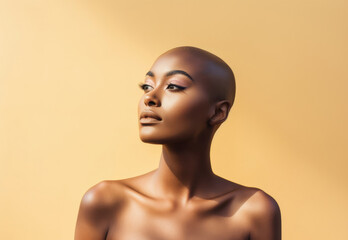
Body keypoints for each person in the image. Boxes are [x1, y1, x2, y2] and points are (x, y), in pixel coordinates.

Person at [74, 46, 281, 240]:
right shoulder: (105, 202)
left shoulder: (253, 211)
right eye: (147, 86)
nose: (150, 98)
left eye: (173, 86)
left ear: (218, 112)